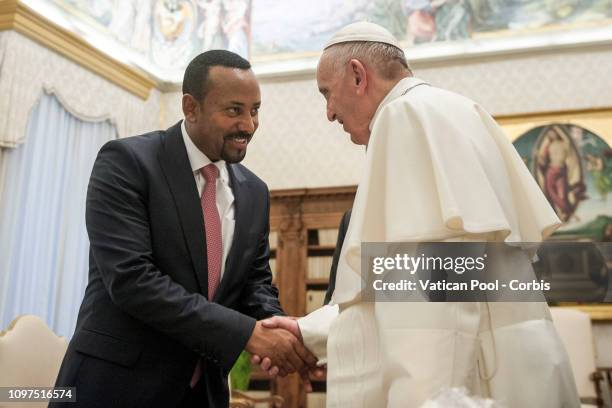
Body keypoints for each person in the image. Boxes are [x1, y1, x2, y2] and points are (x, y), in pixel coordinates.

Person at [257, 22, 580, 407]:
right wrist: (306, 331)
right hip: (523, 368)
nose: (329, 113)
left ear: (358, 75)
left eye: (327, 93)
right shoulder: (462, 109)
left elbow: (435, 319)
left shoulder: (404, 116)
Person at [51, 50, 317, 408]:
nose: (249, 126)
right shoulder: (126, 163)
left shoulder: (254, 191)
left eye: (255, 110)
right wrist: (248, 335)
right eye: (234, 110)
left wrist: (282, 331)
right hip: (114, 388)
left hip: (201, 394)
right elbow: (133, 281)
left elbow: (254, 283)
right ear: (191, 108)